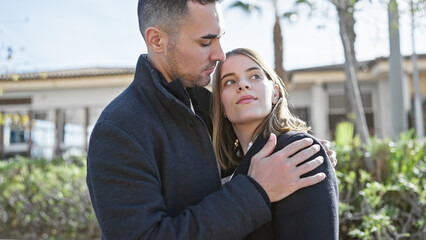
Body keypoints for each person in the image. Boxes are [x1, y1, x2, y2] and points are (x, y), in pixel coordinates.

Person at [86, 1, 335, 239]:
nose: (219, 54)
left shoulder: (207, 110)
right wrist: (254, 191)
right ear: (157, 40)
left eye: (220, 37)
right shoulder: (119, 130)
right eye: (206, 42)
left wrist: (303, 150)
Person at [212, 48, 339, 239]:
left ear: (275, 93)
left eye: (254, 76)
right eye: (230, 81)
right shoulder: (222, 172)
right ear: (221, 105)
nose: (243, 85)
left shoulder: (298, 151)